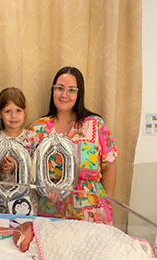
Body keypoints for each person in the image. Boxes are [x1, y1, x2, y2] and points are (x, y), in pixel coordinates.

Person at [30, 66, 119, 224]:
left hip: (92, 213)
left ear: (79, 94)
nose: (64, 95)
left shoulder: (95, 124)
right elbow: (30, 172)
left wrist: (108, 201)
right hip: (50, 212)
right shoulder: (38, 129)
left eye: (71, 90)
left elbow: (110, 164)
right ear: (53, 91)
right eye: (60, 88)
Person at [0, 87, 40, 214]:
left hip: (28, 200)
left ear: (24, 112)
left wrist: (17, 165)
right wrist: (1, 166)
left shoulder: (32, 138)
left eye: (18, 110)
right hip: (2, 201)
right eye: (8, 111)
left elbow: (37, 168)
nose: (13, 116)